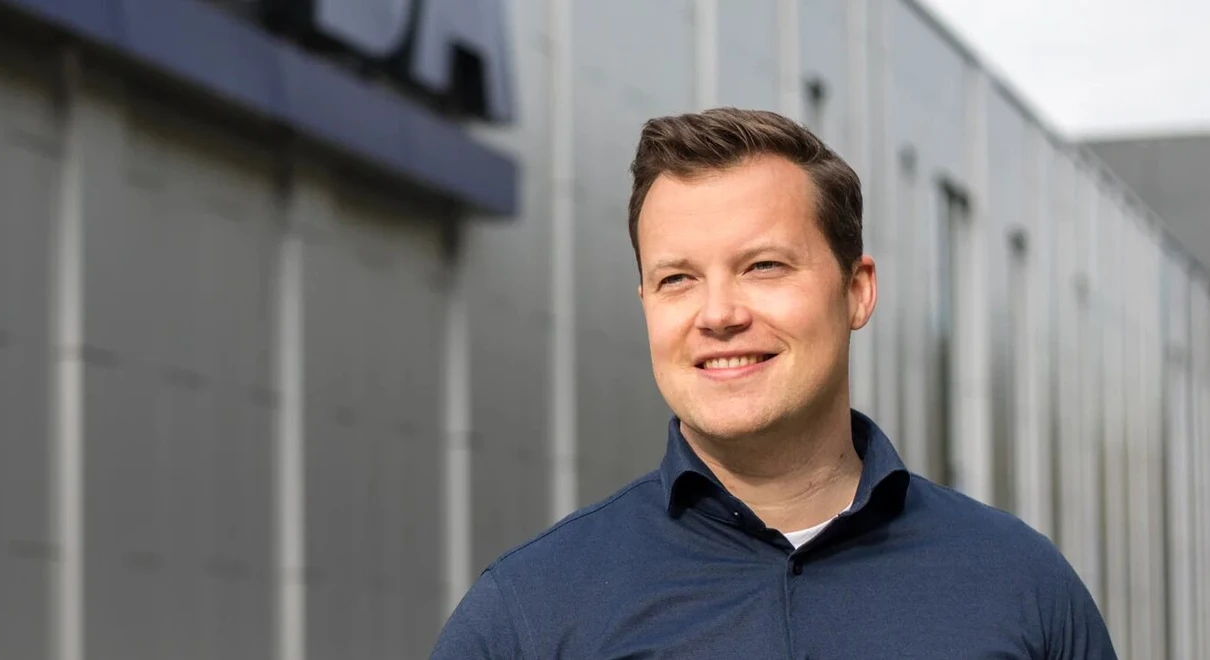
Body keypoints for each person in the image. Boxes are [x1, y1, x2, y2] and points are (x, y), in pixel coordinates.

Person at [430, 108, 1116, 658]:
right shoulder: (529, 614)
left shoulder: (1020, 585)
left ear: (857, 291)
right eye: (678, 279)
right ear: (646, 303)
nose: (720, 315)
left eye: (763, 266)